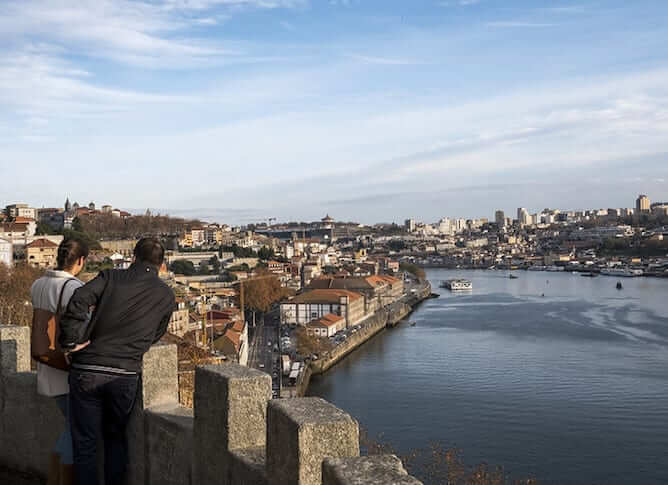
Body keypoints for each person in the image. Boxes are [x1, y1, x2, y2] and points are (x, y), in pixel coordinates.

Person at [59, 238, 175, 485]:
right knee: (116, 439)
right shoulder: (166, 295)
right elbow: (157, 333)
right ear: (161, 265)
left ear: (133, 257)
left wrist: (71, 341)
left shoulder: (110, 277)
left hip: (88, 369)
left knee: (85, 443)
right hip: (125, 374)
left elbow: (79, 299)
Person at [31, 238, 89, 485]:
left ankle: (54, 479)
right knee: (76, 431)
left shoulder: (37, 284)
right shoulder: (76, 288)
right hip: (68, 369)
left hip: (47, 364)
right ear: (81, 261)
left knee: (70, 428)